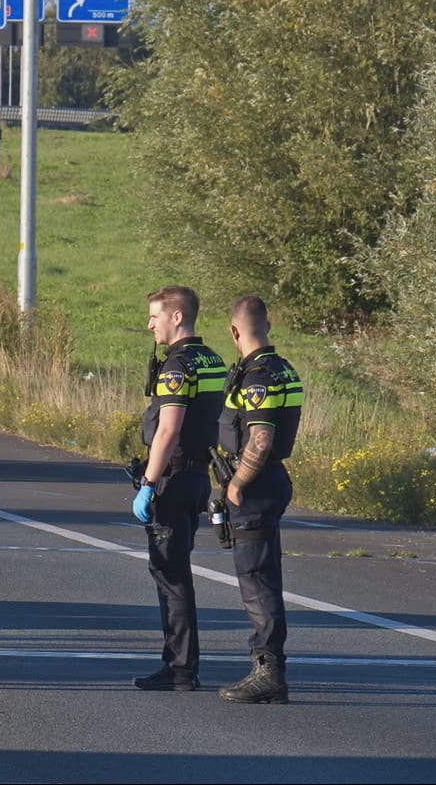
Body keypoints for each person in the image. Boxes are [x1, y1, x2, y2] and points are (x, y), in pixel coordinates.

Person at [131, 285, 229, 691]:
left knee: (170, 573)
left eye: (155, 316)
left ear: (176, 317)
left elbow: (168, 429)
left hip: (173, 477)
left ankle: (180, 668)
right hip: (198, 476)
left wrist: (149, 483)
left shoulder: (177, 367)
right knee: (178, 570)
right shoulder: (213, 360)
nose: (150, 324)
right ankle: (181, 664)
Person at [215, 294, 302, 704]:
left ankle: (267, 671)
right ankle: (270, 668)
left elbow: (261, 437)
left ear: (235, 331)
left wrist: (236, 485)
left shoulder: (258, 376)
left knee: (257, 581)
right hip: (271, 481)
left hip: (256, 484)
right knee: (263, 575)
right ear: (267, 324)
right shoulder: (283, 368)